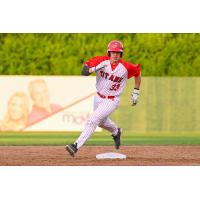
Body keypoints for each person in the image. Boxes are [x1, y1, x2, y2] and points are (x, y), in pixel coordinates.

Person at [65, 40, 141, 157]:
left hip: (112, 99)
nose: (115, 55)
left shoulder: (125, 67)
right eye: (113, 52)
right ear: (108, 52)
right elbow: (84, 72)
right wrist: (93, 69)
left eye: (118, 52)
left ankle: (75, 146)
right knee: (101, 122)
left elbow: (137, 72)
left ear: (121, 54)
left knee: (93, 120)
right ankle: (116, 131)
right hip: (98, 97)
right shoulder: (100, 61)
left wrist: (136, 91)